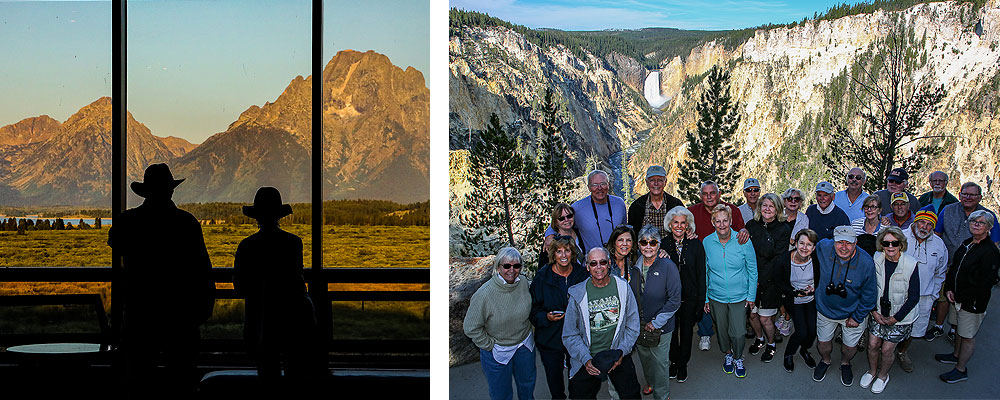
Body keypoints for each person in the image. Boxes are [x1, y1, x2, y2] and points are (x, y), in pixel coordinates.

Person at [108, 163, 215, 397]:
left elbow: (116, 242)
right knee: (181, 378)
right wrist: (203, 308)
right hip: (180, 314)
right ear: (171, 190)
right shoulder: (187, 223)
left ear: (145, 192)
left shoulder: (128, 221)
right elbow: (202, 269)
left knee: (137, 378)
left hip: (140, 313)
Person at [234, 187, 323, 385]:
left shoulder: (247, 246)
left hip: (261, 318)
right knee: (296, 372)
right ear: (279, 215)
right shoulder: (293, 243)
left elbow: (239, 286)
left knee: (267, 373)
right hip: (294, 317)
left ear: (256, 216)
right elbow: (296, 278)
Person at [563, 247, 642, 399]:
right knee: (578, 395)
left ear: (609, 264)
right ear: (587, 266)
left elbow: (633, 326)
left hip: (618, 351)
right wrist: (585, 359)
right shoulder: (578, 294)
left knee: (631, 394)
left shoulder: (623, 288)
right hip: (588, 357)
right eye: (593, 263)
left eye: (602, 262)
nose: (598, 267)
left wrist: (621, 351)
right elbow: (570, 334)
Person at [936, 211, 1000, 384]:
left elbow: (986, 281)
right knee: (958, 327)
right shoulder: (967, 244)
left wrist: (967, 299)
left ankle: (961, 369)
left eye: (981, 222)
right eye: (973, 221)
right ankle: (955, 355)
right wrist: (949, 288)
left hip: (972, 302)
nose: (976, 224)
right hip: (957, 297)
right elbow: (955, 268)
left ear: (989, 227)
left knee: (968, 335)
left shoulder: (989, 252)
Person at [463, 247, 536, 400]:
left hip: (524, 345)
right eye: (507, 266)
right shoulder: (484, 294)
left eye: (516, 266)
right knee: (501, 394)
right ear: (498, 267)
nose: (512, 270)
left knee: (527, 386)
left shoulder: (523, 283)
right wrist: (489, 345)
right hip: (498, 350)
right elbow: (470, 327)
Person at [930, 182, 1000, 340]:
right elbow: (937, 235)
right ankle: (939, 326)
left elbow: (994, 244)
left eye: (972, 195)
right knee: (944, 296)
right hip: (947, 263)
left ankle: (956, 331)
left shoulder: (988, 216)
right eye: (965, 194)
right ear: (960, 195)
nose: (968, 197)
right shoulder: (948, 211)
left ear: (980, 197)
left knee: (963, 300)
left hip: (973, 270)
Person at [812, 226, 877, 387]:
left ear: (856, 243)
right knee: (823, 343)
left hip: (852, 313)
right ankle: (826, 360)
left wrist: (857, 316)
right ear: (833, 242)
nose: (843, 247)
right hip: (825, 309)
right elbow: (808, 241)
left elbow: (870, 296)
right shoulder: (824, 247)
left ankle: (845, 363)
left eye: (848, 243)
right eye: (839, 242)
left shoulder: (866, 263)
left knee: (849, 347)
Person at [861, 227, 920, 394]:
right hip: (878, 311)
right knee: (872, 344)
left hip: (901, 316)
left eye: (894, 243)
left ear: (901, 244)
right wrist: (873, 311)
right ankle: (872, 371)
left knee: (887, 349)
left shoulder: (911, 264)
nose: (890, 246)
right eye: (886, 243)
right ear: (881, 244)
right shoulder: (876, 258)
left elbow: (914, 297)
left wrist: (896, 318)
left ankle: (882, 375)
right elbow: (869, 286)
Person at [530, 236, 589, 400]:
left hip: (576, 336)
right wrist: (546, 317)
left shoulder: (581, 274)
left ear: (572, 253)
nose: (563, 255)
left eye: (567, 250)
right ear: (553, 254)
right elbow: (533, 310)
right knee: (555, 381)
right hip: (550, 337)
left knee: (578, 378)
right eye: (559, 251)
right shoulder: (542, 277)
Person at [703, 204, 757, 378]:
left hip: (739, 296)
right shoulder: (707, 242)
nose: (722, 225)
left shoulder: (743, 240)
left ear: (731, 221)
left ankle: (738, 356)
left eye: (725, 220)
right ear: (712, 223)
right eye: (717, 221)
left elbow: (752, 269)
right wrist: (705, 298)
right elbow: (705, 271)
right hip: (716, 295)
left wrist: (751, 296)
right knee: (722, 330)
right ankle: (728, 354)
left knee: (739, 332)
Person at [628, 226, 681, 400]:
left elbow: (674, 299)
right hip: (639, 324)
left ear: (659, 245)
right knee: (645, 358)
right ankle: (651, 382)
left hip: (661, 326)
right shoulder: (634, 266)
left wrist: (656, 322)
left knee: (660, 362)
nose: (648, 246)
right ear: (638, 244)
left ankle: (662, 394)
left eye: (653, 242)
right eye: (644, 242)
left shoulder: (668, 266)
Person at [896, 209, 947, 372]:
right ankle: (887, 351)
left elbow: (940, 273)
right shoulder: (899, 237)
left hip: (924, 297)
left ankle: (902, 351)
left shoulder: (939, 245)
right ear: (915, 222)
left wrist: (933, 295)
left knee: (915, 329)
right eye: (922, 222)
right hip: (898, 293)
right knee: (892, 324)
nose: (924, 227)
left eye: (929, 224)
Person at [745, 193, 792, 363]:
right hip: (751, 278)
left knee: (765, 318)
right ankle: (759, 339)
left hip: (770, 280)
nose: (767, 209)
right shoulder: (751, 225)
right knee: (752, 315)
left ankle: (771, 343)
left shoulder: (783, 228)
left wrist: (760, 279)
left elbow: (778, 259)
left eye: (771, 206)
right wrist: (752, 279)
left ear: (778, 209)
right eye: (764, 205)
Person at [663, 206, 706, 383]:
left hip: (690, 297)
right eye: (676, 223)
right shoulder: (663, 244)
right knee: (672, 333)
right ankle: (674, 361)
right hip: (669, 298)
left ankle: (683, 364)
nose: (679, 226)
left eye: (683, 223)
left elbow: (701, 275)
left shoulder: (696, 244)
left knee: (687, 332)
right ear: (670, 224)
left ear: (688, 225)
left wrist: (700, 301)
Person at [546, 170, 627, 252]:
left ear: (608, 185)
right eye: (594, 185)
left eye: (603, 184)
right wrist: (549, 236)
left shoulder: (619, 203)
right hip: (593, 262)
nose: (599, 188)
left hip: (618, 258)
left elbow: (625, 228)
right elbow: (559, 221)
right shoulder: (578, 208)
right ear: (589, 187)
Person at [777, 229, 821, 372]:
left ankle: (804, 350)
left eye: (809, 245)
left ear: (813, 248)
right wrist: (795, 292)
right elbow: (779, 282)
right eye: (801, 243)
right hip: (794, 301)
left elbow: (822, 277)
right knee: (802, 331)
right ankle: (789, 353)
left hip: (811, 299)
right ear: (795, 243)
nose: (804, 247)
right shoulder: (784, 260)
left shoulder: (816, 259)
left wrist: (814, 287)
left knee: (813, 330)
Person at [627, 165, 683, 239]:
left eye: (660, 180)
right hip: (645, 249)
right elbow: (632, 234)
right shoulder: (636, 207)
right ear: (647, 182)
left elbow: (684, 228)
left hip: (671, 250)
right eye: (652, 180)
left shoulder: (676, 205)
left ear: (665, 182)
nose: (656, 183)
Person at [539, 203, 585, 268]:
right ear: (556, 222)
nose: (566, 220)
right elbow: (542, 270)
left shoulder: (581, 233)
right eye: (561, 218)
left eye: (569, 216)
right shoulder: (551, 243)